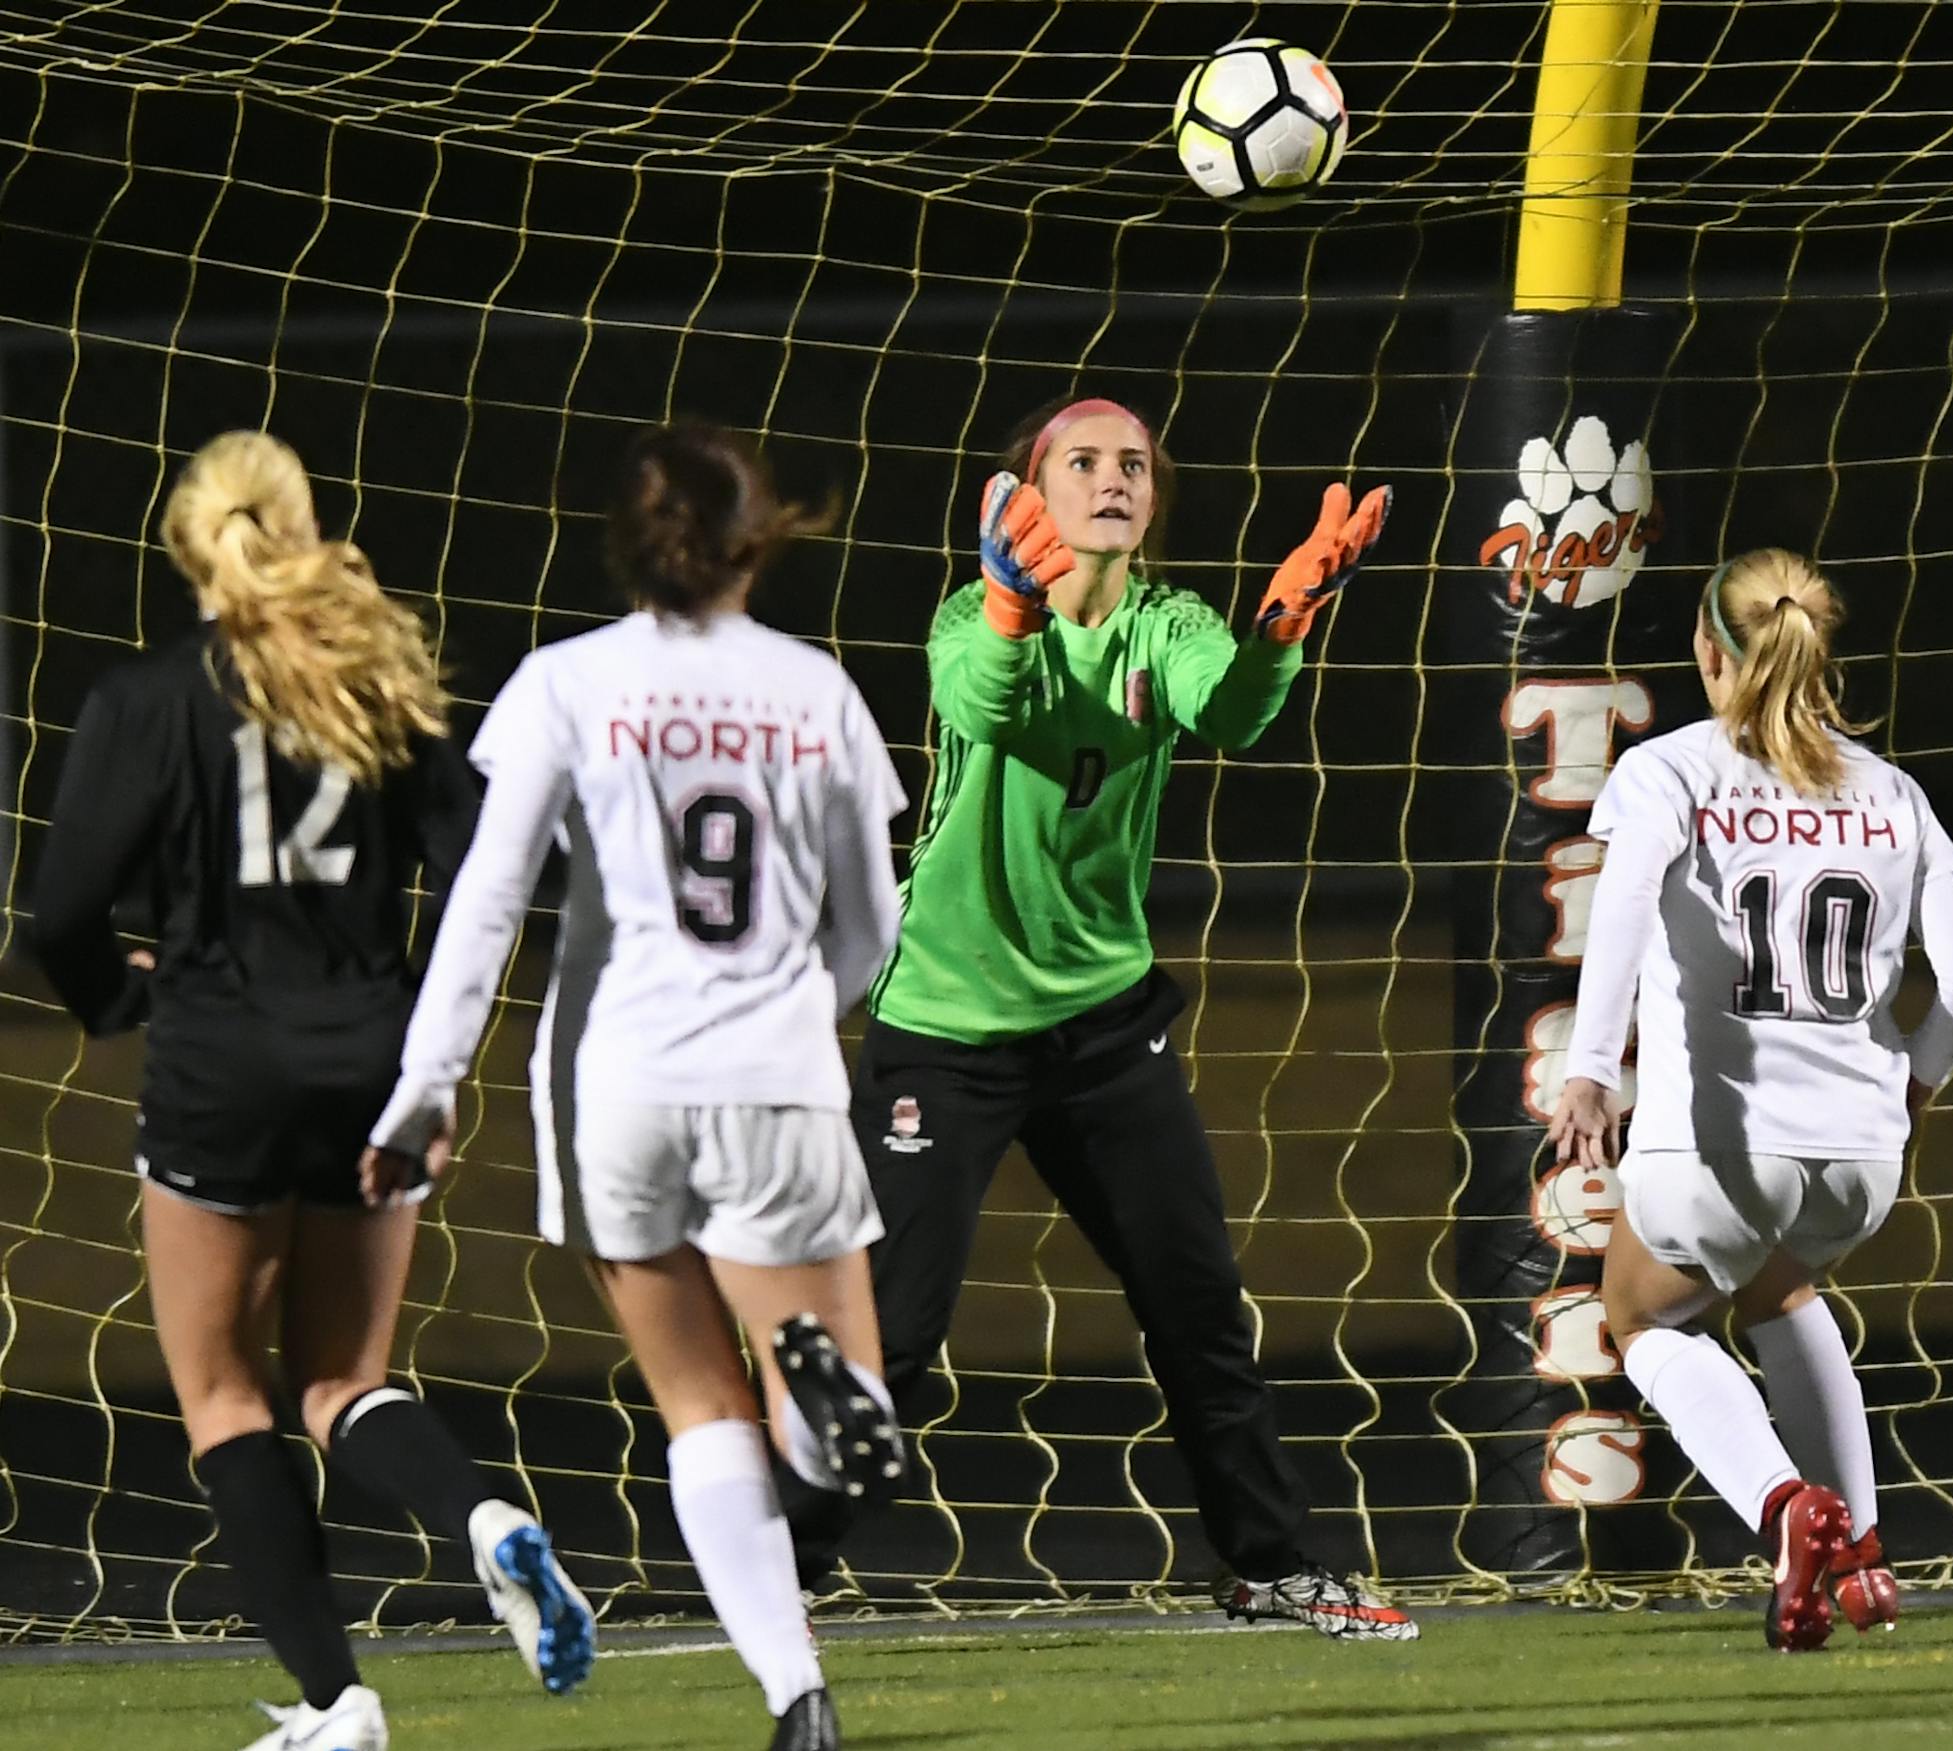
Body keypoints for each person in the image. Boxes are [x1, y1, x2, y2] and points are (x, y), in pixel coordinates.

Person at [789, 394, 1418, 1641]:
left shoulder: (1170, 620)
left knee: (1198, 1307)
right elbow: (990, 705)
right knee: (896, 1333)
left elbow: (1229, 710)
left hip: (1102, 1028)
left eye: (1134, 462)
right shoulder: (971, 616)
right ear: (1030, 491)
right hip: (949, 1024)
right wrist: (1018, 605)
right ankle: (772, 1561)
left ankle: (1271, 1564)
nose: (1114, 477)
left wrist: (1284, 621)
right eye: (1083, 460)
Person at [29, 432, 594, 1751]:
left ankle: (343, 1704)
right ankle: (486, 1519)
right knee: (343, 1377)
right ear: (304, 525)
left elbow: (60, 914)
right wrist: (433, 1049)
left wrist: (125, 998)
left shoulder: (148, 698)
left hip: (220, 1067)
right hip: (371, 1059)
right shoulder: (385, 682)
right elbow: (490, 865)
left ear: (189, 548)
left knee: (227, 1397)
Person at [368, 420, 907, 1751]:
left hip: (617, 1084)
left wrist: (424, 1086)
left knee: (695, 1407)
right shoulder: (814, 687)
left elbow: (489, 900)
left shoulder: (564, 683)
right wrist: (798, 1004)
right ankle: (832, 1411)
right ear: (758, 534)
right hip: (773, 1079)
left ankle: (798, 1695)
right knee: (830, 1406)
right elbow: (876, 924)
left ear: (624, 540)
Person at [1546, 548, 1953, 1650]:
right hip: (1860, 1154)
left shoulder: (1671, 769)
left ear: (1708, 649)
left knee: (1637, 1315)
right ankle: (1866, 1561)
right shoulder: (1890, 788)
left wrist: (1592, 1065)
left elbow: (1622, 903)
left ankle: (1789, 1507)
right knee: (1778, 1289)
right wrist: (1918, 1081)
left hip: (1716, 1142)